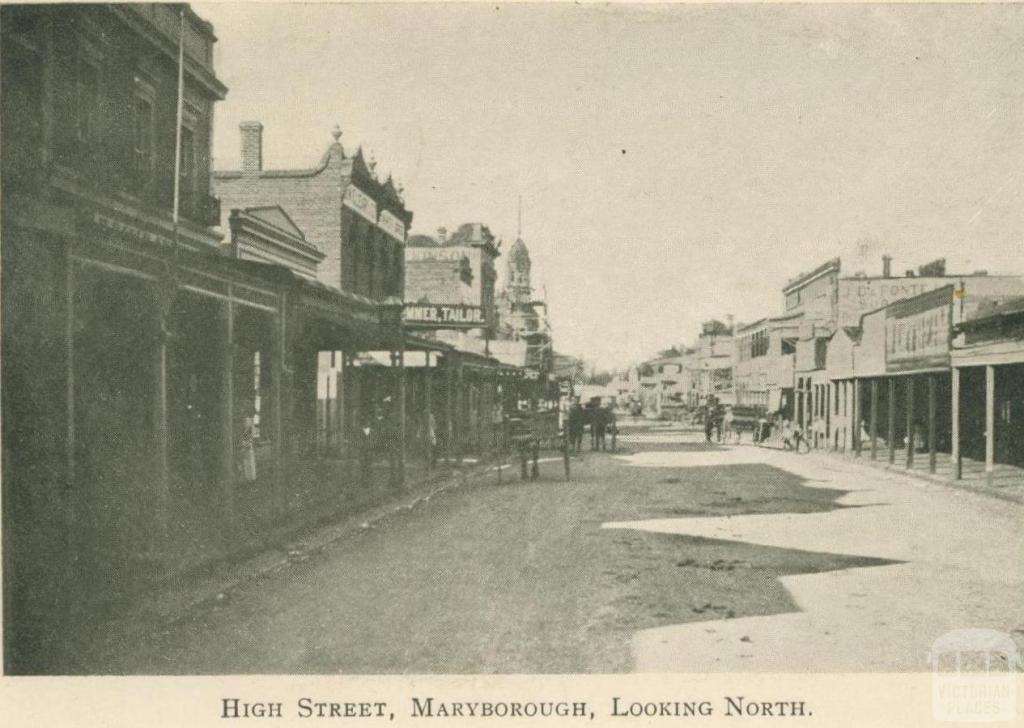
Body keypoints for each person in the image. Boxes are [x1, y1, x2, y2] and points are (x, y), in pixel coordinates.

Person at [240, 416, 257, 482]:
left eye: (245, 422)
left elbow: (251, 438)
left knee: (250, 463)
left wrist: (247, 444)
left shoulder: (250, 428)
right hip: (246, 447)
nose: (244, 423)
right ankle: (248, 478)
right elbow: (244, 438)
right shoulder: (245, 431)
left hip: (249, 447)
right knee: (246, 462)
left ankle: (251, 478)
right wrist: (244, 444)